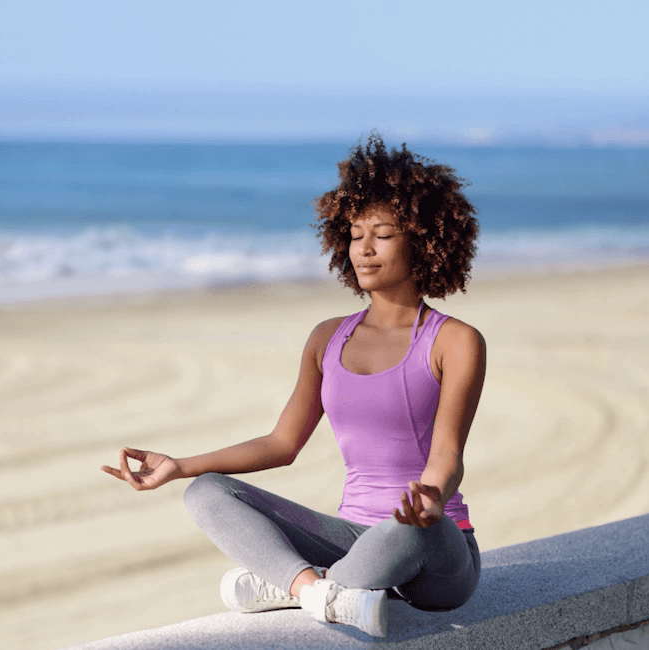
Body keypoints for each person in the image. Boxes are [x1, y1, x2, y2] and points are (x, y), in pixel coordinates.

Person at [100, 134, 486, 638]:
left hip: (434, 548)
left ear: (423, 238)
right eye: (354, 234)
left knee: (409, 527)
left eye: (383, 234)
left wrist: (432, 497)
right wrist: (181, 466)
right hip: (353, 544)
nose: (363, 250)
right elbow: (282, 444)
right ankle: (314, 589)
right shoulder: (327, 338)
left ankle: (288, 585)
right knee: (206, 493)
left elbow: (448, 454)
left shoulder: (454, 340)